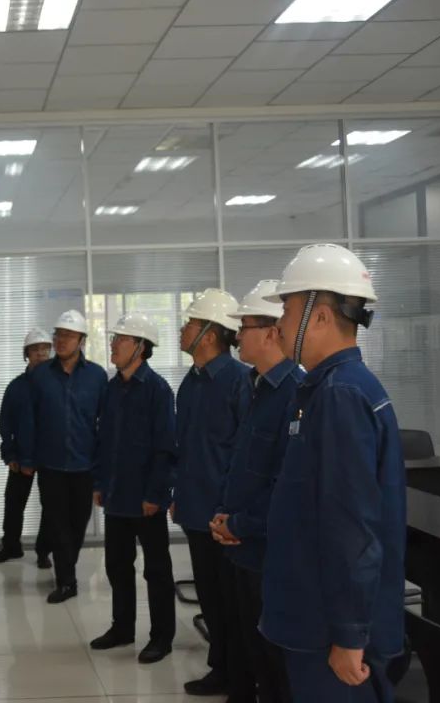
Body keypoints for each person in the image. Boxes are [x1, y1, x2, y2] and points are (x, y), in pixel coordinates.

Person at [260, 244, 406, 703]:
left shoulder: (340, 395)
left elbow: (351, 524)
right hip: (318, 620)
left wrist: (349, 634)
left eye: (287, 310)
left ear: (320, 317)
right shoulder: (328, 388)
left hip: (331, 633)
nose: (280, 325)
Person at [210, 281, 303, 703]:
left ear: (270, 332)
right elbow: (241, 463)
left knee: (276, 662)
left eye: (244, 327)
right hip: (242, 544)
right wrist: (225, 515)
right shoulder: (254, 385)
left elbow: (286, 483)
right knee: (252, 650)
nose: (236, 337)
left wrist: (240, 524)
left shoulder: (295, 393)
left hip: (269, 552)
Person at [175, 288, 252, 698]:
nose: (182, 329)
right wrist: (179, 493)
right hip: (195, 508)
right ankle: (220, 668)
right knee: (210, 597)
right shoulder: (190, 383)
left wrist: (231, 511)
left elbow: (244, 454)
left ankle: (240, 679)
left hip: (225, 515)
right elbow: (186, 447)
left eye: (189, 323)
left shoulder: (240, 382)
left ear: (209, 333)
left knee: (233, 602)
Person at [91, 313, 177, 664]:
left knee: (156, 570)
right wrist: (100, 483)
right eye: (114, 339)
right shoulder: (112, 388)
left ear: (140, 347)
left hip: (146, 498)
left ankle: (162, 637)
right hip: (116, 495)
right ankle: (122, 627)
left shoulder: (157, 390)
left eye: (121, 339)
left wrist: (156, 494)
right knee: (117, 565)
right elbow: (103, 441)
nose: (113, 345)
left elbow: (165, 448)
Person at [19, 310, 107, 604]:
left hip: (85, 464)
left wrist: (104, 465)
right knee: (57, 524)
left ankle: (67, 565)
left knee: (78, 523)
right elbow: (29, 419)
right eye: (58, 334)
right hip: (50, 463)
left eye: (68, 335)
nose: (60, 340)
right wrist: (27, 457)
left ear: (82, 340)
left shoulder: (97, 376)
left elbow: (105, 422)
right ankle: (67, 581)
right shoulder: (41, 375)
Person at [0, 327, 53, 568]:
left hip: (51, 458)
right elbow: (5, 424)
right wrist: (10, 455)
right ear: (26, 354)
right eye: (35, 349)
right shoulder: (16, 387)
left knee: (50, 507)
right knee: (13, 503)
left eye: (45, 349)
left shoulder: (58, 385)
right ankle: (11, 547)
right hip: (21, 456)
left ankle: (44, 552)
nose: (40, 353)